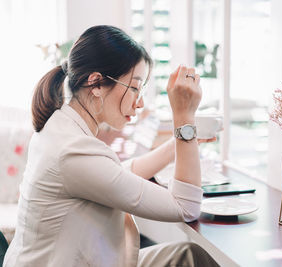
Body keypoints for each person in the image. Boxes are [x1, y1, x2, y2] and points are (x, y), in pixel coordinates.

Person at [3, 25, 219, 267]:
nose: (140, 103)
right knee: (190, 258)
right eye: (135, 88)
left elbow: (116, 174)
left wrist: (181, 141)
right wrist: (184, 118)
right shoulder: (71, 151)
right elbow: (186, 207)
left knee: (187, 256)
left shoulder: (61, 126)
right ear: (96, 83)